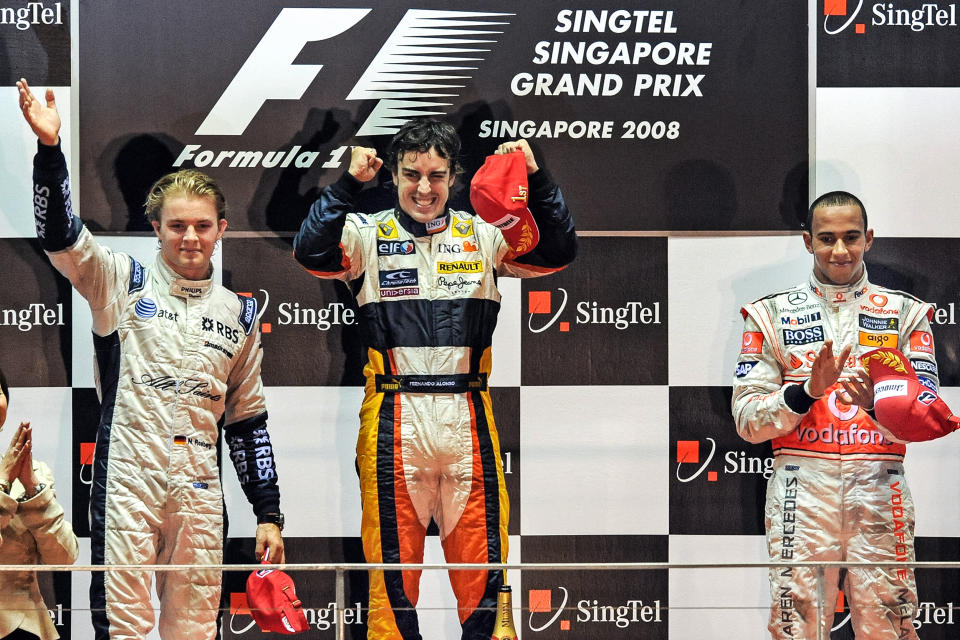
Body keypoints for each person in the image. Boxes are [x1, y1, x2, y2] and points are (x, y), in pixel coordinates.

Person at [17, 79, 286, 640]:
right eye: (177, 226)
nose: (190, 237)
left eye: (202, 226)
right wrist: (49, 152)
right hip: (128, 484)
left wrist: (268, 511)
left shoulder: (240, 314)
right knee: (125, 630)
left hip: (201, 494)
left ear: (222, 231)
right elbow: (61, 237)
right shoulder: (120, 279)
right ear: (156, 228)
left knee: (194, 632)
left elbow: (248, 423)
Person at [293, 118, 576, 640]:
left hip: (467, 416)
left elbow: (557, 252)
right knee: (391, 592)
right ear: (394, 176)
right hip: (393, 418)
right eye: (411, 174)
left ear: (455, 178)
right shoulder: (365, 233)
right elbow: (310, 251)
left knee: (486, 587)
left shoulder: (485, 236)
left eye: (437, 175)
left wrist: (537, 179)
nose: (424, 188)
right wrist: (347, 185)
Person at [732, 191, 937, 639]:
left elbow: (928, 417)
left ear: (870, 239)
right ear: (808, 241)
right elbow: (747, 420)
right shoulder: (769, 314)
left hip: (880, 484)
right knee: (795, 628)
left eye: (851, 237)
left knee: (893, 627)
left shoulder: (907, 314)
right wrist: (806, 391)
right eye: (826, 238)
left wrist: (876, 405)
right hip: (800, 488)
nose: (839, 251)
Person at [0, 367, 79, 640]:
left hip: (29, 627)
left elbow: (65, 557)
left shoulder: (33, 473)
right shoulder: (7, 475)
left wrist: (32, 489)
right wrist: (3, 484)